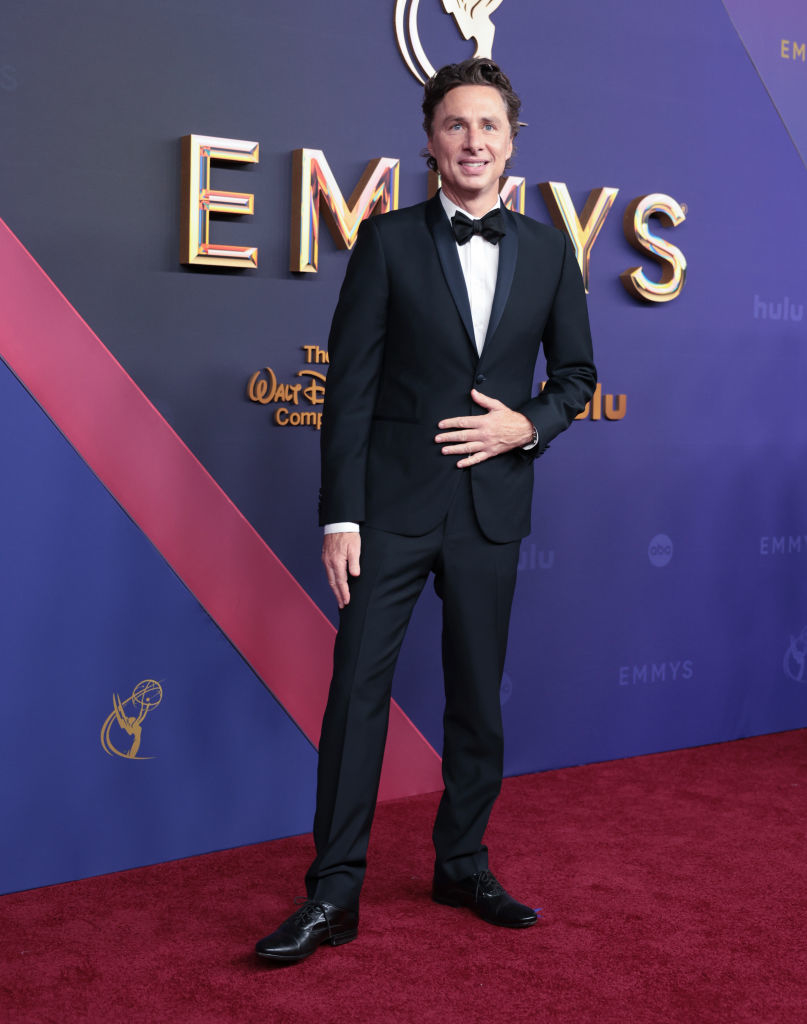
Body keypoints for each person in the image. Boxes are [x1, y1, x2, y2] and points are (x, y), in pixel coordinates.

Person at [256, 58, 596, 965]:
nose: (473, 141)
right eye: (455, 125)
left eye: (488, 125)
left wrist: (528, 425)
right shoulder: (387, 241)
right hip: (391, 510)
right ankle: (334, 893)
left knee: (477, 703)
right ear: (431, 141)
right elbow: (350, 392)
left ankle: (462, 863)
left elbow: (576, 377)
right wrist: (341, 516)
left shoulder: (549, 249)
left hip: (491, 511)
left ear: (511, 140)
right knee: (356, 695)